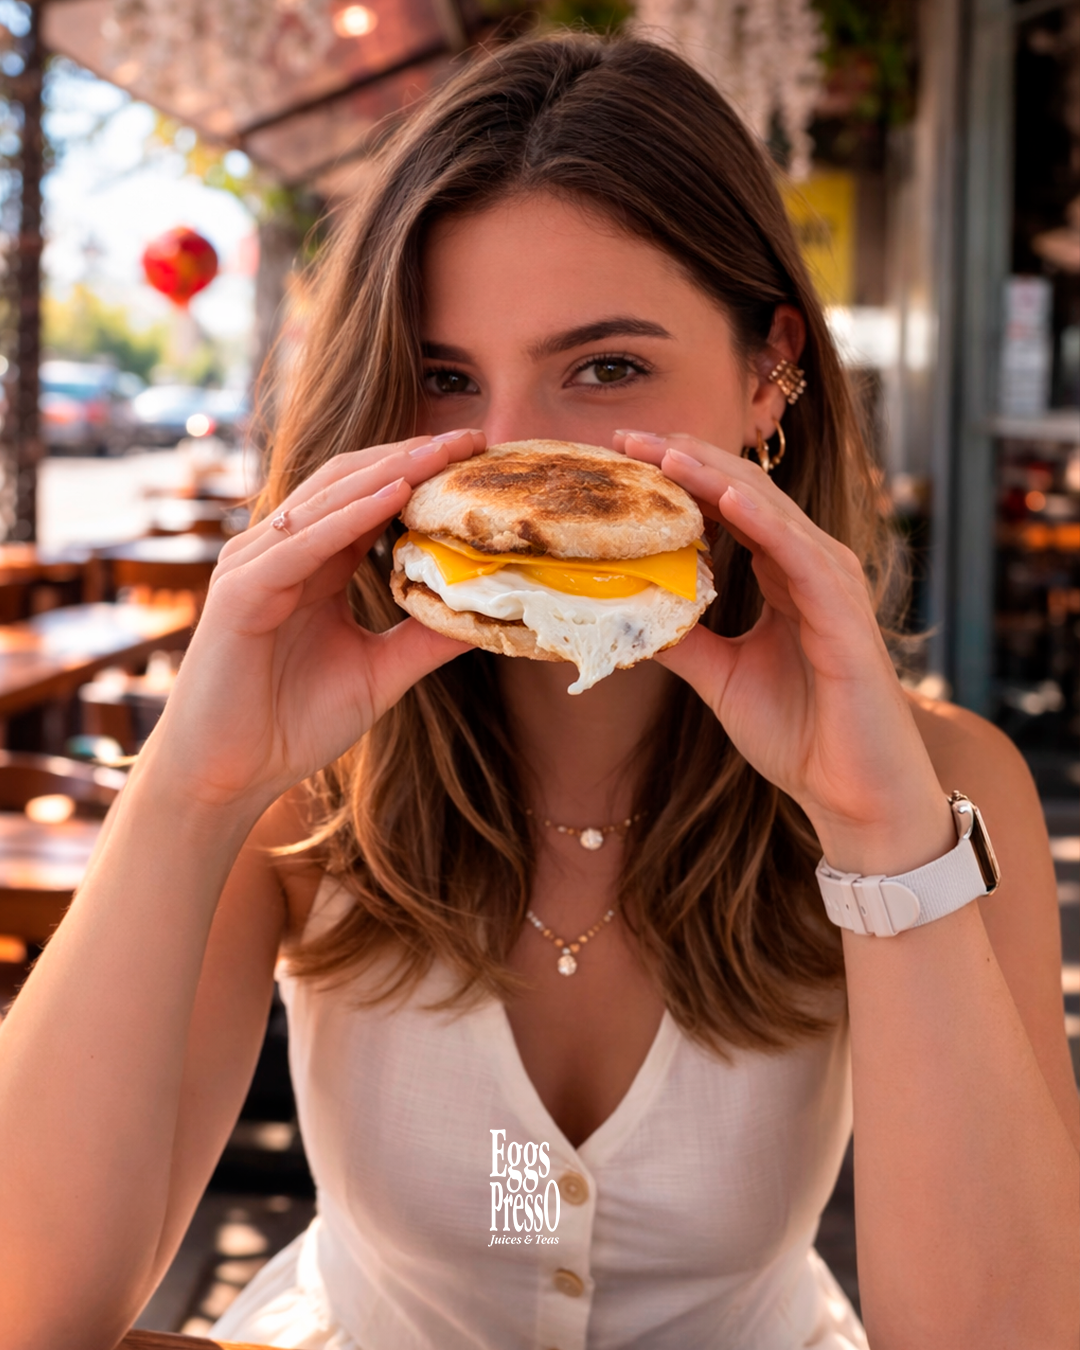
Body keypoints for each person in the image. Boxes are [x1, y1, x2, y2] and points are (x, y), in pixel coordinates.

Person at [1, 30, 1076, 1350]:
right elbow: (27, 1301)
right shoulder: (301, 788)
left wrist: (877, 832)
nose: (503, 464)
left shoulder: (948, 789)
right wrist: (191, 782)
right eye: (446, 376)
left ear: (767, 372)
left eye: (606, 366)